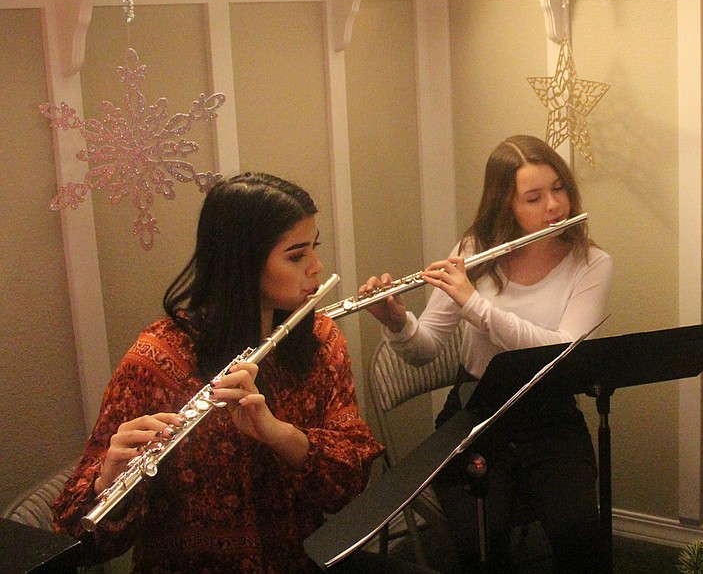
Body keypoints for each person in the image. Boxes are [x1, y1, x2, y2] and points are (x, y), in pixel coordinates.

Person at [52, 172, 395, 573]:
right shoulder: (156, 360)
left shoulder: (321, 340)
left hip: (302, 561)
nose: (317, 267)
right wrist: (108, 479)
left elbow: (349, 485)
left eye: (313, 249)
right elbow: (78, 539)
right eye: (297, 255)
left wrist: (279, 434)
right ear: (242, 262)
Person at [361, 134, 614, 573]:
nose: (554, 206)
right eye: (533, 197)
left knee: (578, 538)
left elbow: (561, 353)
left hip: (549, 416)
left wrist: (475, 306)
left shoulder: (591, 263)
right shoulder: (473, 251)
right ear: (505, 205)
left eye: (559, 189)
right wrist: (396, 321)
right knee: (481, 543)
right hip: (476, 416)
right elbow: (425, 350)